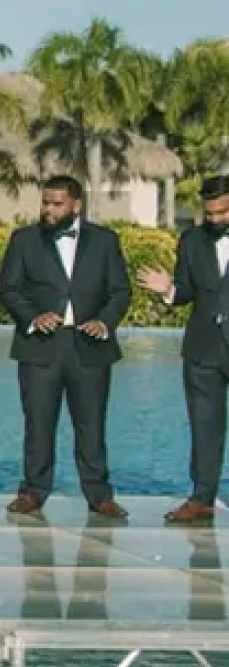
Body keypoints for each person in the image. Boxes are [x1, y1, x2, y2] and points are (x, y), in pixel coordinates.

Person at [0, 175, 131, 520]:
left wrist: (105, 321)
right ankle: (32, 492)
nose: (49, 210)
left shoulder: (105, 241)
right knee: (38, 424)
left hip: (89, 346)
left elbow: (120, 291)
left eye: (57, 204)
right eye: (45, 202)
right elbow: (9, 290)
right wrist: (32, 316)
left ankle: (99, 495)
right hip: (40, 346)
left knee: (91, 425)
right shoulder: (24, 240)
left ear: (76, 205)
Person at [139, 173, 229, 524]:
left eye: (223, 212)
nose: (216, 220)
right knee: (204, 426)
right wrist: (168, 289)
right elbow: (185, 292)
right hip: (203, 349)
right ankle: (202, 498)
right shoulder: (191, 240)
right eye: (210, 214)